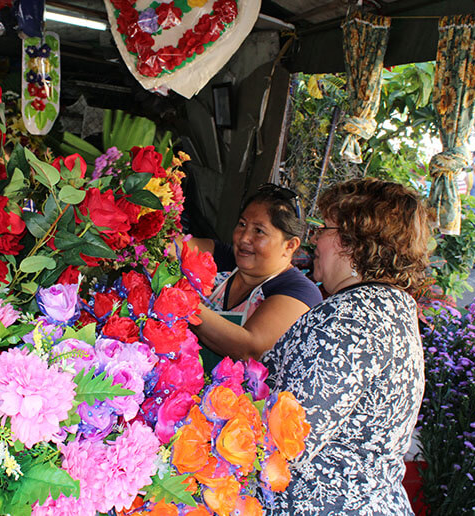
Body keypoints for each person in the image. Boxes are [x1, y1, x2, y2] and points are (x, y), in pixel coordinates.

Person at [260, 178, 432, 515]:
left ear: (352, 243)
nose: (315, 239)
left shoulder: (350, 318)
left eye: (324, 228)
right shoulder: (392, 306)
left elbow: (288, 440)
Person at [183, 184, 322, 369]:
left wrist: (182, 303)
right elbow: (173, 246)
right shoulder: (225, 259)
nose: (244, 238)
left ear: (290, 245)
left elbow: (249, 348)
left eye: (259, 231)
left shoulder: (299, 291)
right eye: (242, 225)